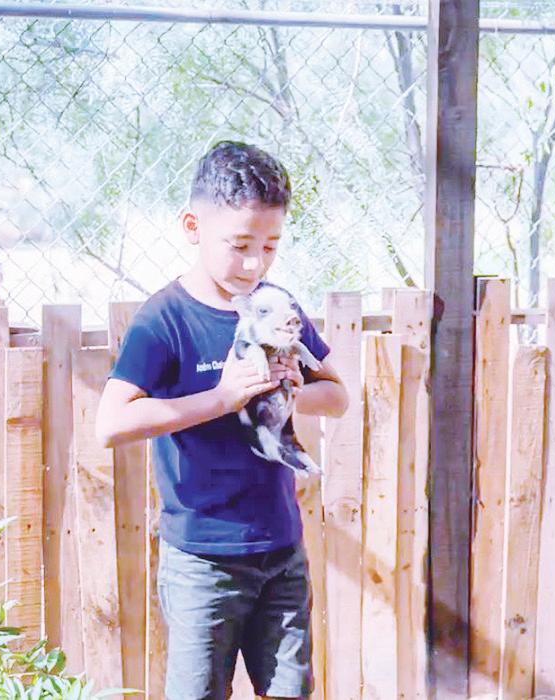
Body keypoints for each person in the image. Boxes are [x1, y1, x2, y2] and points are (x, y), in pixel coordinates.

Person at [95, 140, 348, 700]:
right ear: (193, 226)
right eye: (239, 246)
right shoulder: (164, 319)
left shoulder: (277, 306)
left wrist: (290, 387)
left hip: (281, 549)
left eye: (270, 246)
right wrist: (223, 397)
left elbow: (337, 397)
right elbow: (110, 424)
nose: (255, 264)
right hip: (202, 561)